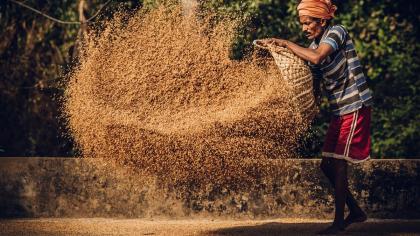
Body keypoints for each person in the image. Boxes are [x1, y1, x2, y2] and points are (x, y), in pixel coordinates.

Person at [258, 0, 372, 234]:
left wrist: (286, 43)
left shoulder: (337, 32)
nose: (304, 28)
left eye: (308, 23)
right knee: (326, 165)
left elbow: (318, 57)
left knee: (338, 163)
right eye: (302, 24)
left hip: (354, 104)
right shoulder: (313, 44)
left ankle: (339, 223)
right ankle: (356, 212)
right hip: (338, 110)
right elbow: (314, 78)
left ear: (322, 20)